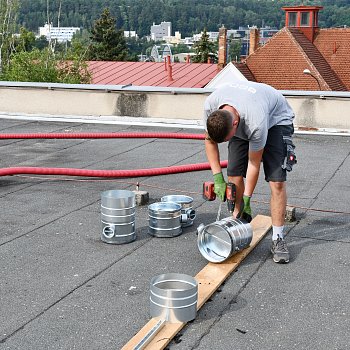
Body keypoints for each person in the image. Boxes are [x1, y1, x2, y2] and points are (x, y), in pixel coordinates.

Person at [203, 81, 296, 263]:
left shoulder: (256, 122)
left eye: (228, 138)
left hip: (276, 120)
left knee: (276, 181)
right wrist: (217, 178)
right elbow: (209, 141)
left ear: (235, 124)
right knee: (233, 174)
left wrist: (247, 198)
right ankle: (239, 222)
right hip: (245, 111)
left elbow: (254, 163)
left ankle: (278, 238)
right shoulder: (211, 107)